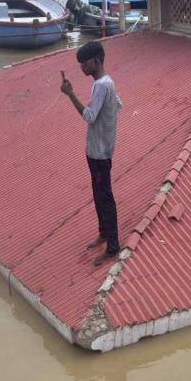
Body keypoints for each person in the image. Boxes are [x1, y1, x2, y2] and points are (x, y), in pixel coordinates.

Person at [60, 41, 123, 264]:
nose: (81, 68)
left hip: (99, 153)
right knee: (98, 194)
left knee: (104, 197)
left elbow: (88, 116)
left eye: (83, 63)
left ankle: (113, 246)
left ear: (95, 61)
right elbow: (118, 105)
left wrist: (70, 95)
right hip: (101, 150)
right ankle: (104, 234)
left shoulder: (100, 86)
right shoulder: (109, 83)